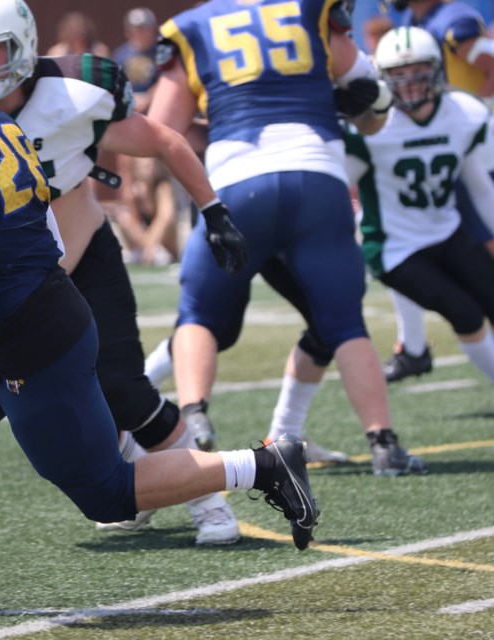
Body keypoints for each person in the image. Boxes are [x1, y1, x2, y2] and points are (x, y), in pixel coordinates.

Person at [0, 19, 318, 612]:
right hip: (6, 322)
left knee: (108, 496)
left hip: (26, 340)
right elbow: (47, 232)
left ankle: (264, 464)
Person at [0, 0, 248, 541]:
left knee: (123, 389)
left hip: (80, 252)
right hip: (9, 274)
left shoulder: (76, 93)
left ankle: (208, 498)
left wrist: (213, 210)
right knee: (58, 407)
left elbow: (163, 141)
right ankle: (145, 478)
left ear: (23, 44)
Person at [146, 0, 426, 476]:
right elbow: (371, 100)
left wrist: (215, 133)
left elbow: (161, 129)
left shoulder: (191, 26)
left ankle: (194, 414)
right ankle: (384, 444)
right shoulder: (312, 10)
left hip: (238, 181)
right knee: (343, 322)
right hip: (316, 175)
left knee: (200, 314)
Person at [349, 26, 494, 386]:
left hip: (446, 229)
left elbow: (481, 188)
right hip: (394, 247)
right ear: (383, 78)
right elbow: (337, 183)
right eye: (398, 75)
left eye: (417, 72)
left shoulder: (465, 112)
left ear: (436, 70)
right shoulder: (371, 126)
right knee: (466, 315)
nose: (410, 83)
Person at [110, 7, 181, 266]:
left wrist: (149, 98)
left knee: (159, 186)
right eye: (136, 29)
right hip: (129, 124)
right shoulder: (121, 55)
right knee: (129, 189)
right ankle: (147, 247)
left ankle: (155, 246)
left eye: (145, 28)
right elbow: (115, 89)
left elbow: (169, 82)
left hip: (156, 124)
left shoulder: (161, 52)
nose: (140, 34)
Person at [46, 11, 111, 58]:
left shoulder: (99, 50)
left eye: (82, 34)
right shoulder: (57, 52)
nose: (80, 38)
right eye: (75, 34)